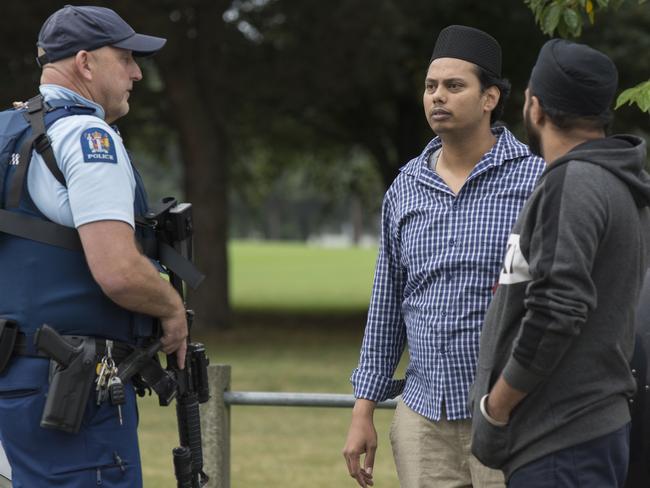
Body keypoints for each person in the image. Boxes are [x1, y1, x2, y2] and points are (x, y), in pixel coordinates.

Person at [342, 25, 544, 488]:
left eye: (455, 86)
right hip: (423, 419)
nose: (438, 97)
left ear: (490, 98)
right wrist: (363, 410)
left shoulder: (536, 181)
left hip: (508, 416)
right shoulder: (406, 186)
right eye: (431, 86)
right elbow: (387, 304)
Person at [0, 5, 187, 487]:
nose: (137, 73)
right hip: (73, 390)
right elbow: (119, 270)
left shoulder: (10, 131)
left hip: (14, 378)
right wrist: (171, 308)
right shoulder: (88, 134)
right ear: (85, 63)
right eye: (125, 58)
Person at [470, 39, 650, 488]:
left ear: (537, 107)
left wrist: (499, 405)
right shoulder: (616, 183)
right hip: (584, 437)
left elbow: (557, 309)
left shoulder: (573, 181)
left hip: (558, 443)